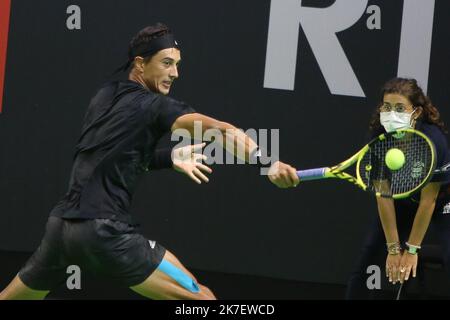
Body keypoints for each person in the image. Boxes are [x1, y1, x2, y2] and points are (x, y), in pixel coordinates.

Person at [0, 24, 299, 300]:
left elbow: (112, 156)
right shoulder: (157, 106)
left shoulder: (104, 96)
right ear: (140, 64)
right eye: (167, 63)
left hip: (60, 232)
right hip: (105, 233)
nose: (175, 73)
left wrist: (168, 157)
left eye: (177, 65)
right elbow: (219, 130)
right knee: (203, 299)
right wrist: (268, 161)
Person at [345, 77, 450, 299]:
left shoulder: (434, 141)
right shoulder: (377, 139)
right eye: (387, 107)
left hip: (441, 202)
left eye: (400, 108)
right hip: (402, 200)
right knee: (369, 256)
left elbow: (428, 201)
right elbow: (383, 195)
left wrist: (412, 250)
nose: (392, 114)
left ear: (417, 112)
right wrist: (393, 249)